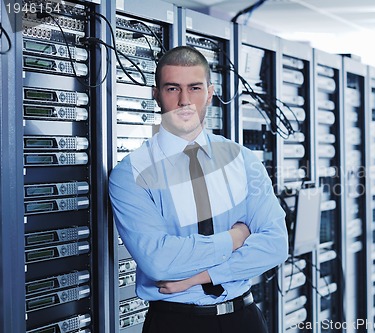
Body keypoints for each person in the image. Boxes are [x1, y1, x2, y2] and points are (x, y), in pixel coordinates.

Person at [109, 45, 288, 333]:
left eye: (194, 88)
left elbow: (276, 245)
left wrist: (195, 278)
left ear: (209, 92)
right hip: (174, 323)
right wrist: (236, 237)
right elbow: (159, 261)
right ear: (155, 95)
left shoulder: (242, 160)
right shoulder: (130, 175)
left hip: (244, 319)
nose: (184, 101)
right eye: (172, 89)